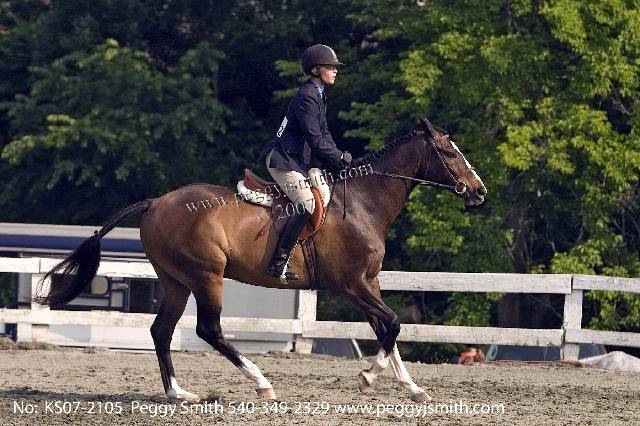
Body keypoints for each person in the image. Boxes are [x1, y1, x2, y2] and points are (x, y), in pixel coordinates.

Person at [258, 44, 352, 282]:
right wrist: (337, 158)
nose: (335, 71)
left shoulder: (318, 94)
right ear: (315, 69)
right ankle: (278, 262)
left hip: (296, 160)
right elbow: (316, 139)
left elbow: (324, 133)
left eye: (335, 67)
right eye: (330, 67)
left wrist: (339, 157)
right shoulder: (307, 96)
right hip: (283, 159)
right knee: (307, 202)